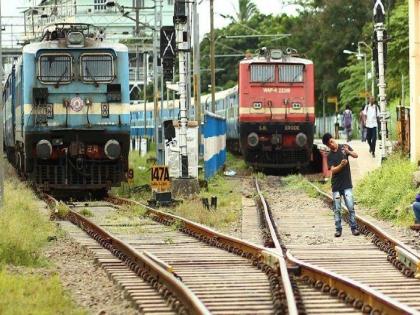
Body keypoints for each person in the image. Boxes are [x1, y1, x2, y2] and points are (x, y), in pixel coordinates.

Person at [322, 133, 360, 237]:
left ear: (333, 138)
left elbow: (356, 155)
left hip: (347, 184)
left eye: (331, 141)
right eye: (329, 145)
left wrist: (348, 152)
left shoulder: (344, 147)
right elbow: (333, 170)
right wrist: (341, 165)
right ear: (327, 146)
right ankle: (338, 229)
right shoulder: (329, 155)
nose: (332, 145)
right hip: (336, 186)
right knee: (337, 209)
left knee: (351, 207)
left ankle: (354, 228)